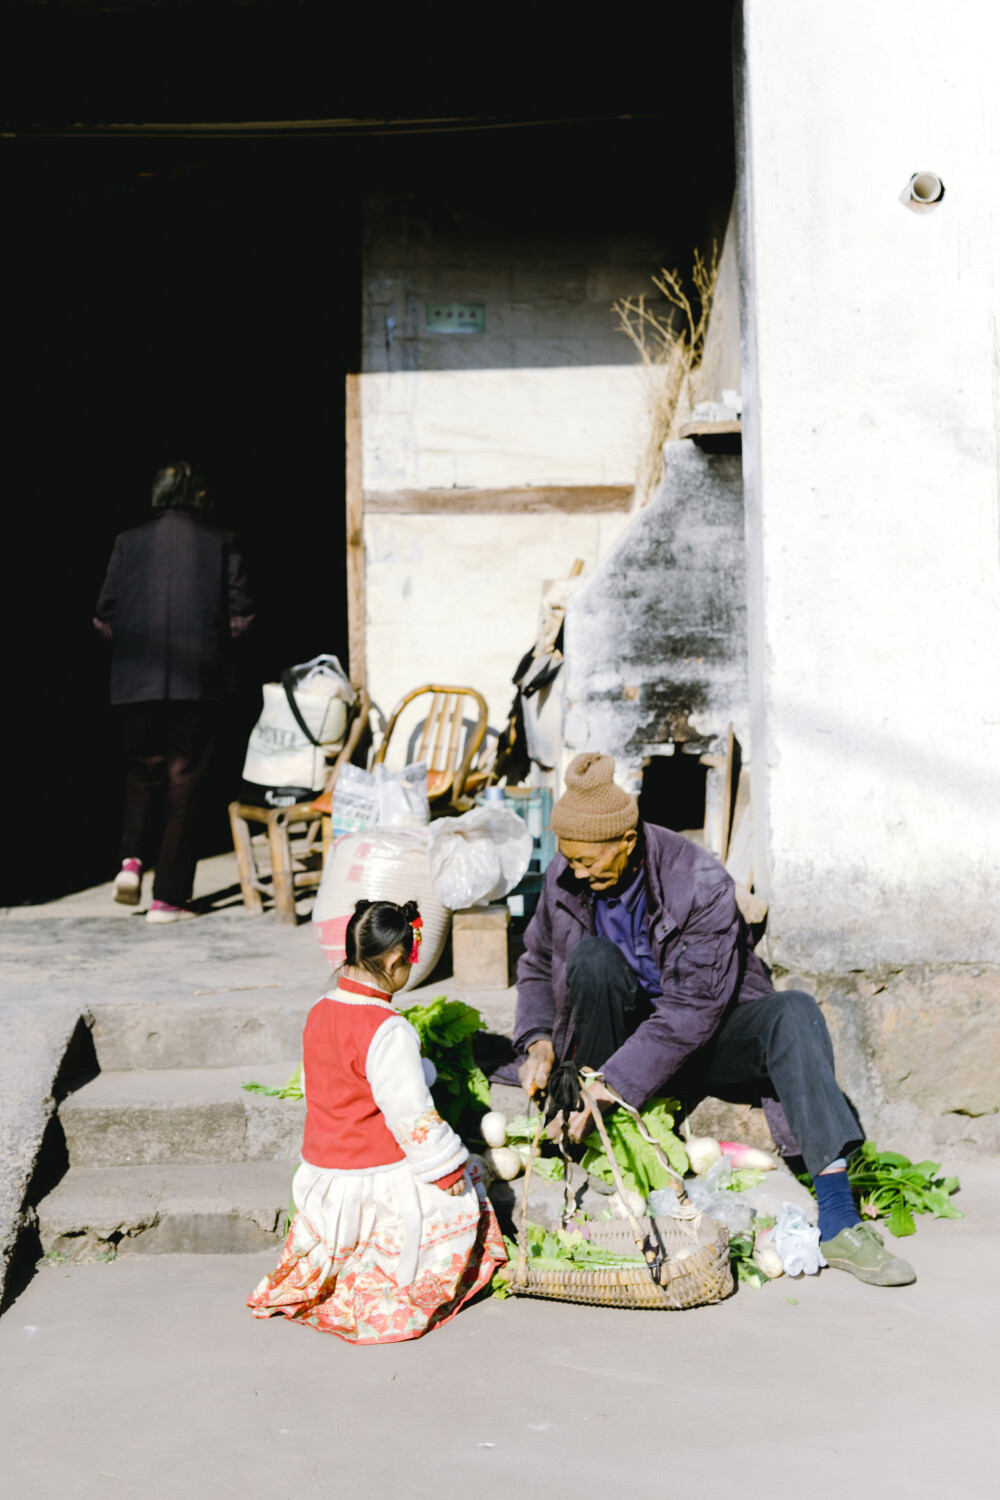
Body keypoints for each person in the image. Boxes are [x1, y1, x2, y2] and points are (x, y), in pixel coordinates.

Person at [513, 751, 916, 1287]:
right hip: (622, 1041)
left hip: (707, 1035)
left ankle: (840, 1218)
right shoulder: (570, 874)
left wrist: (612, 1083)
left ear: (628, 843)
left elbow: (691, 1011)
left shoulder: (698, 881)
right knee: (591, 962)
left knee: (793, 1012)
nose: (578, 873)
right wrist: (538, 1041)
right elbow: (538, 960)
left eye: (588, 861)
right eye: (571, 861)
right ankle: (596, 1150)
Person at [248, 899, 506, 1343]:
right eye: (408, 962)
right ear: (392, 962)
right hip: (371, 1179)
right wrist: (447, 1171)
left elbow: (320, 1088)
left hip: (324, 1176)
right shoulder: (388, 1030)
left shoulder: (319, 1010)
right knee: (467, 1194)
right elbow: (412, 1118)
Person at [94, 462, 254, 923]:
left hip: (135, 684)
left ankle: (130, 862)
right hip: (197, 683)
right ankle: (168, 899)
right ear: (199, 496)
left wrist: (133, 644)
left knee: (142, 773)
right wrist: (208, 640)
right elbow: (242, 617)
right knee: (186, 785)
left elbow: (103, 617)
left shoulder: (128, 542)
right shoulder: (222, 541)